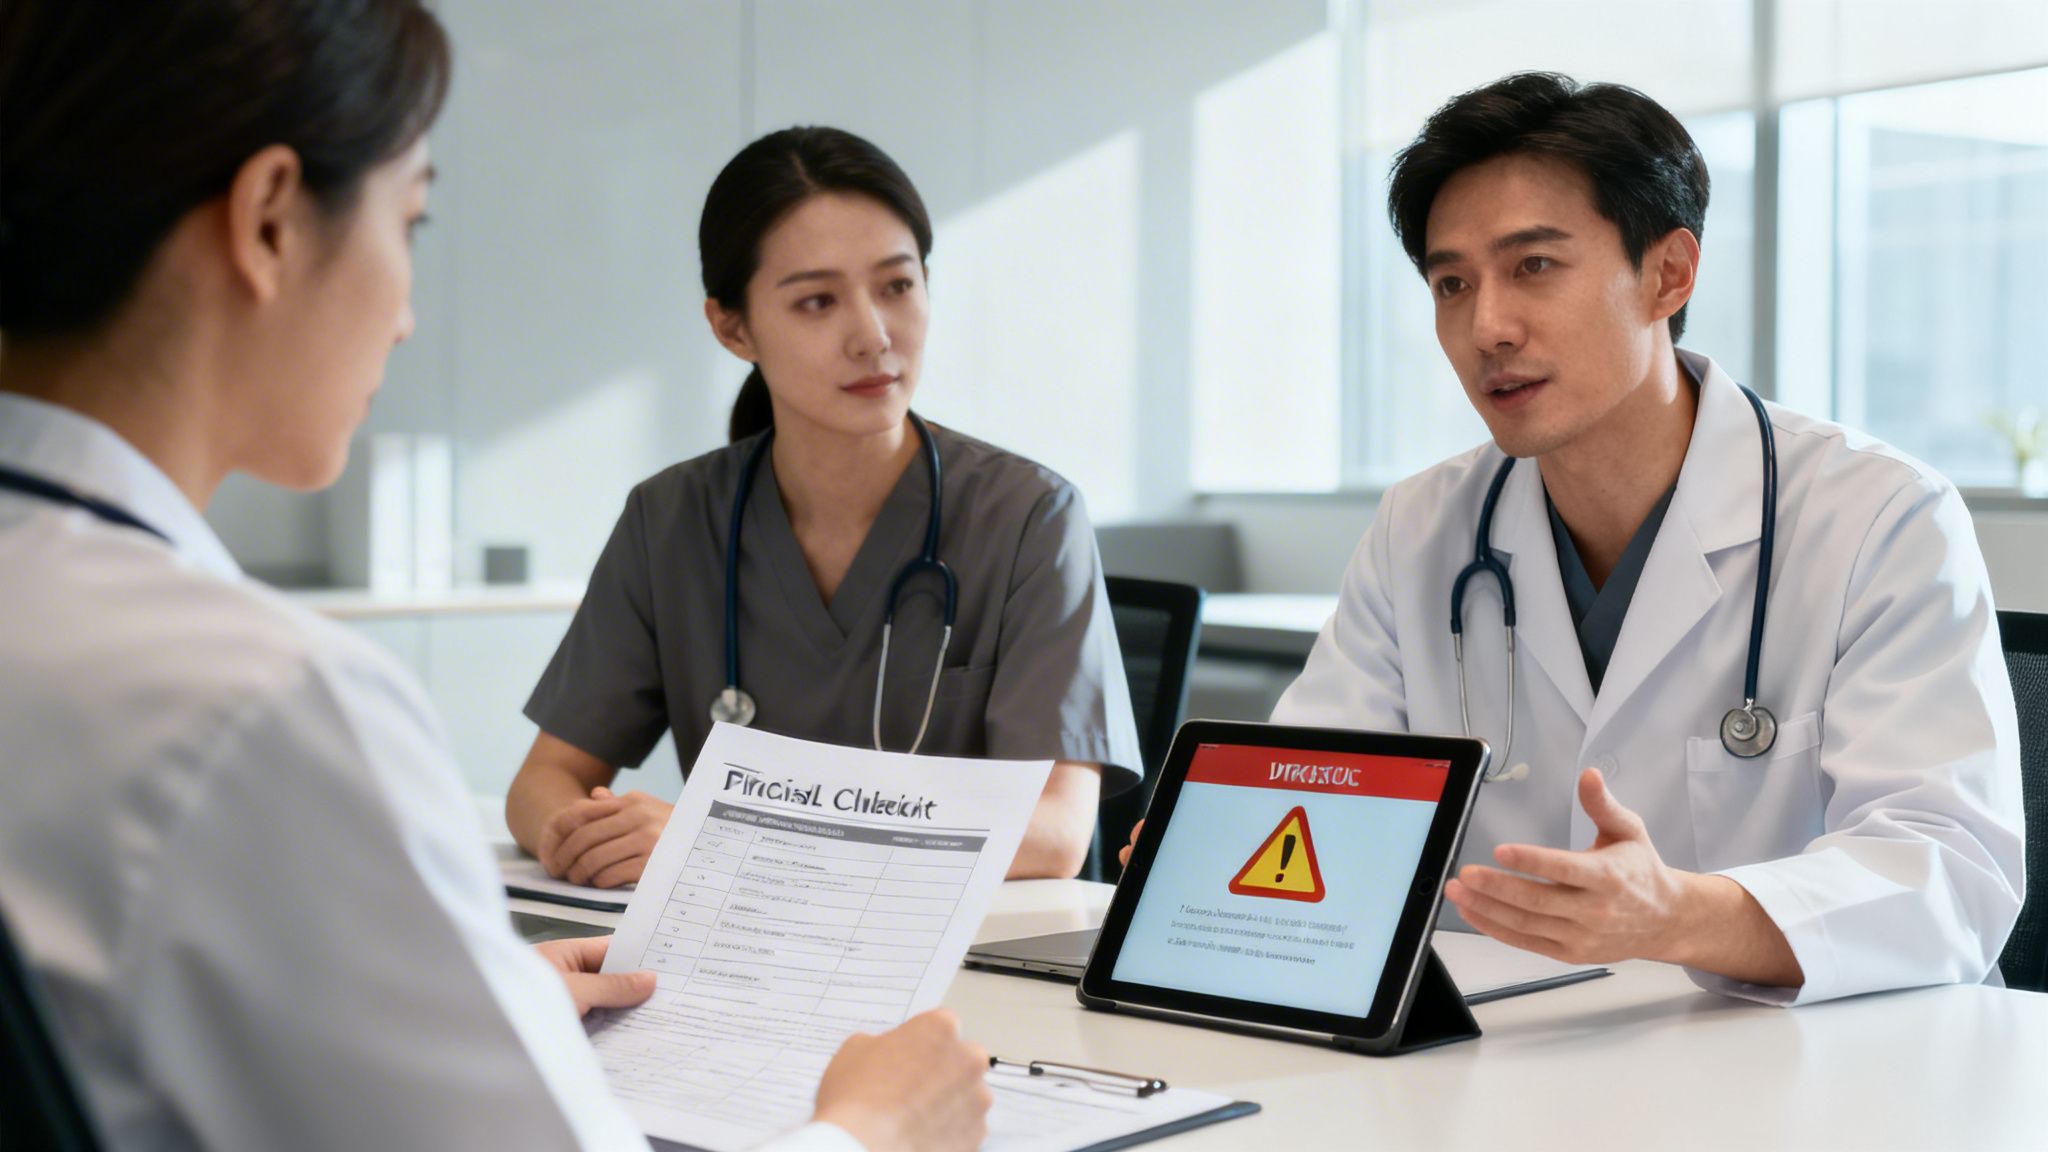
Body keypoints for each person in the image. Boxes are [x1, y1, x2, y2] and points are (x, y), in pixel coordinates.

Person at [0, 3, 989, 1149]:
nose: (409, 316)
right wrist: (872, 1130)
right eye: (408, 220)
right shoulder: (265, 706)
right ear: (271, 219)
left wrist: (488, 1001)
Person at [1132, 72, 2025, 1006]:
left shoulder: (1878, 516)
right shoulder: (1423, 527)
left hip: (1807, 1064)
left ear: (1668, 274)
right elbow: (1318, 794)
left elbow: (1948, 870)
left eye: (1534, 266)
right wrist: (1214, 849)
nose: (1487, 327)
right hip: (1503, 1049)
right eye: (1452, 283)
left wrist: (1676, 915)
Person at [506, 126, 1142, 887]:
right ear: (732, 327)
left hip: (962, 970)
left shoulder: (1029, 517)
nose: (873, 336)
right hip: (739, 959)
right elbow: (541, 784)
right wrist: (583, 836)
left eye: (898, 286)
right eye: (816, 301)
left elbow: (1055, 834)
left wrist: (725, 844)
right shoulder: (671, 520)